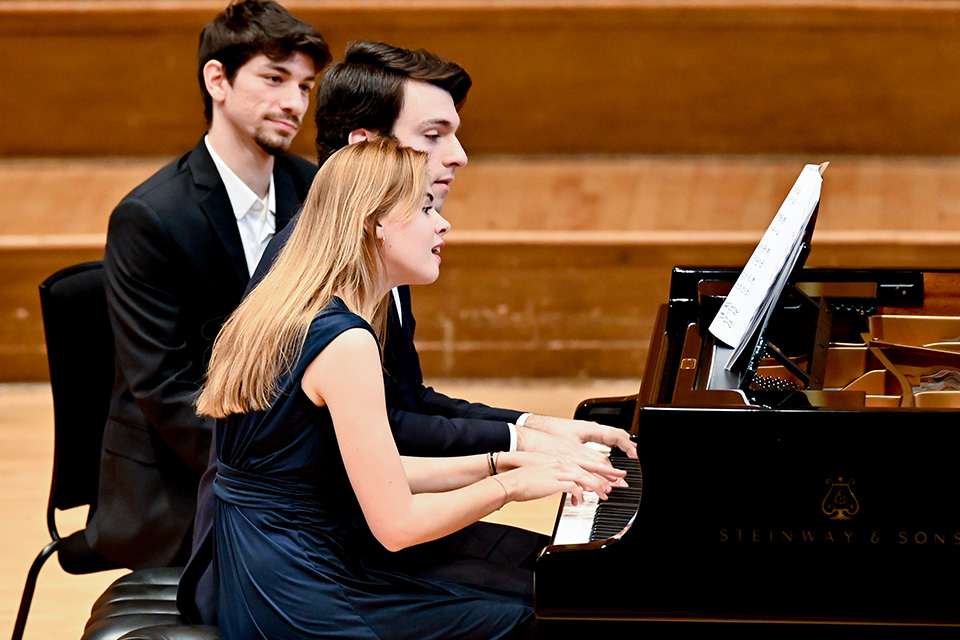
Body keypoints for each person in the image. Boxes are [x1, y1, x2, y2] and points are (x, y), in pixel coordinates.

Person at [196, 138, 616, 639]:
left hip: (267, 560)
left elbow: (364, 474)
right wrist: (511, 487)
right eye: (424, 208)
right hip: (302, 589)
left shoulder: (296, 306)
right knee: (535, 619)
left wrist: (500, 461)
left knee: (536, 576)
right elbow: (398, 526)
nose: (443, 222)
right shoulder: (344, 341)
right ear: (373, 222)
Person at [88, 0, 329, 569]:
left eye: (305, 86)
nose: (295, 103)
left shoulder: (314, 189)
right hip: (180, 486)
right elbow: (166, 388)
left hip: (286, 462)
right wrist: (273, 477)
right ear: (216, 79)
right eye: (274, 79)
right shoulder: (150, 216)